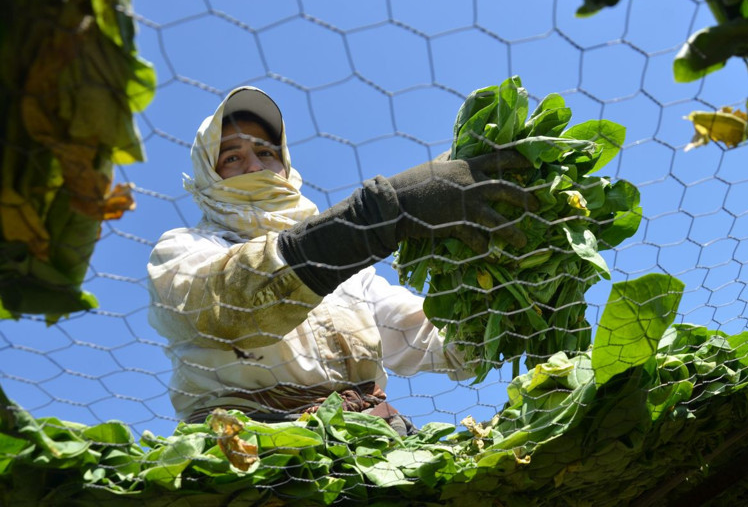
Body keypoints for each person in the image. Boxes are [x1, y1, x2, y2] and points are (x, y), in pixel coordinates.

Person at [147, 86, 538, 434]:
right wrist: (384, 213)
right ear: (207, 175)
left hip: (368, 442)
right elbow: (231, 306)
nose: (253, 166)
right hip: (252, 453)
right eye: (232, 157)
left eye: (265, 152)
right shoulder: (184, 249)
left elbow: (443, 341)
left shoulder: (353, 279)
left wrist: (515, 290)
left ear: (286, 165)